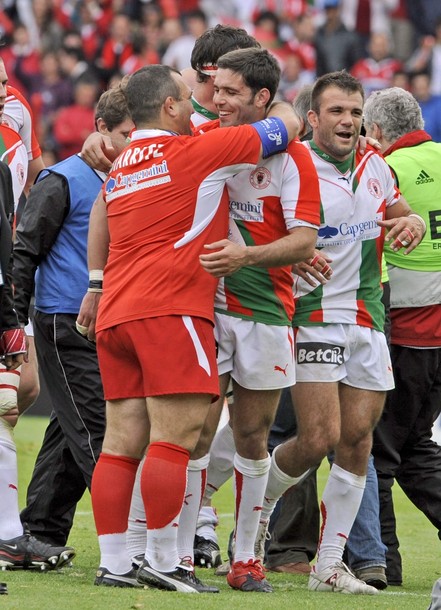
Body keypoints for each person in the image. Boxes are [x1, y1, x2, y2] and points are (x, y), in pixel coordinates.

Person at [76, 62, 299, 592]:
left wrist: (96, 282)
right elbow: (287, 124)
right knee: (174, 441)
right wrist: (277, 105)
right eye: (187, 94)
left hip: (117, 315)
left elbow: (100, 216)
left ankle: (115, 563)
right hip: (171, 310)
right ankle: (162, 559)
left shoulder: (122, 163)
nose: (198, 102)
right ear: (170, 105)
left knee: (119, 444)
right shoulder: (197, 152)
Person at [254, 70, 426, 596]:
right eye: (336, 111)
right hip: (314, 315)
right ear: (312, 118)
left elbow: (399, 213)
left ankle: (329, 565)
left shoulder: (377, 165)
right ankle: (256, 517)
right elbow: (267, 231)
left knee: (357, 442)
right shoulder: (292, 164)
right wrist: (290, 259)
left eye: (355, 112)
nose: (348, 121)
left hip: (369, 317)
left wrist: (411, 223)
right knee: (317, 439)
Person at [12, 83, 134, 555]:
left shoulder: (132, 177)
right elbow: (24, 252)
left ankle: (41, 531)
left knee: (70, 429)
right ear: (101, 129)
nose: (134, 142)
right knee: (100, 430)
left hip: (110, 321)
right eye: (126, 134)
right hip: (65, 321)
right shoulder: (61, 179)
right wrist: (14, 327)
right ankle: (127, 545)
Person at [363, 86, 441, 587]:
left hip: (406, 330)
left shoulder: (386, 170)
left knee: (376, 452)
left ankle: (382, 562)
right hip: (437, 336)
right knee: (415, 447)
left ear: (375, 131)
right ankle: (380, 559)